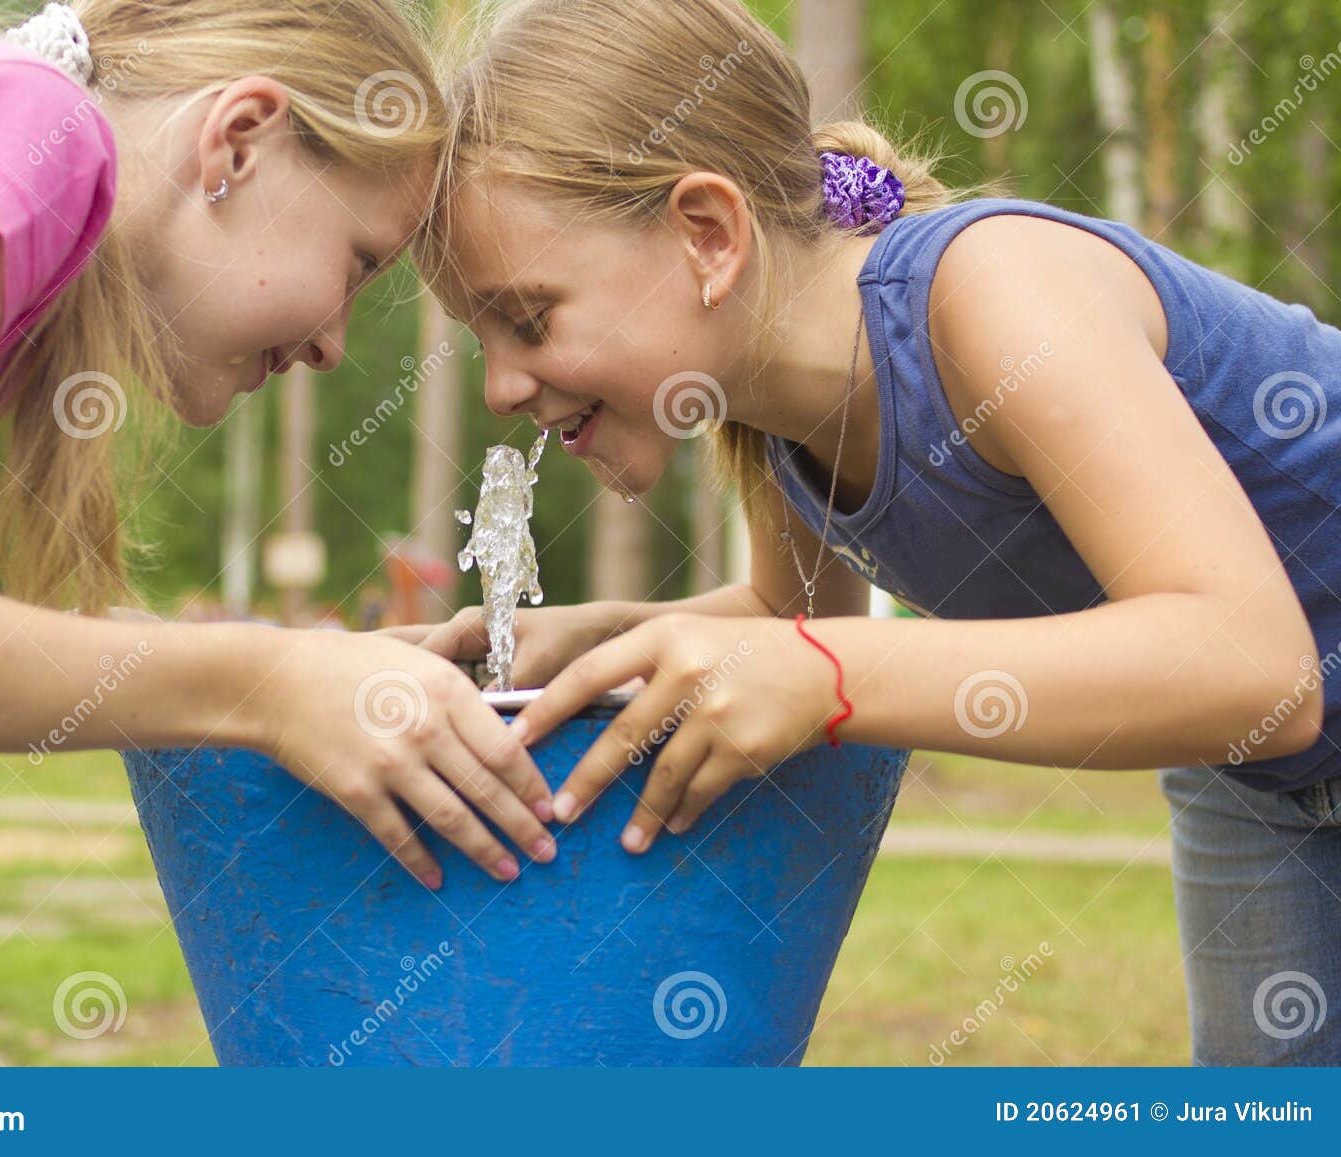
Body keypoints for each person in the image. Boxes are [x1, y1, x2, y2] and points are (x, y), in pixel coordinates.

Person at [401, 0, 1340, 1063]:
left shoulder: (994, 292)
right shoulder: (768, 405)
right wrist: (605, 636)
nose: (500, 386)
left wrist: (825, 676)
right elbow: (787, 619)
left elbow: (1256, 669)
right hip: (1266, 790)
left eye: (527, 318)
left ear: (707, 233)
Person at [0, 0, 558, 892]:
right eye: (359, 264)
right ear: (238, 143)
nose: (332, 344)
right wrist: (266, 682)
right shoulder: (30, 125)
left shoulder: (14, 281)